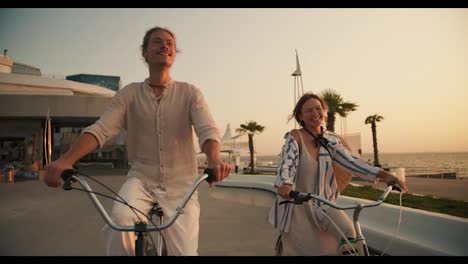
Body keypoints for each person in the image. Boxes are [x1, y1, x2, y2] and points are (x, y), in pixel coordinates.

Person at [43, 26, 231, 256]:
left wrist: (214, 159)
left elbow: (207, 130)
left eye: (170, 43)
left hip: (182, 185)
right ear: (145, 53)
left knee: (185, 253)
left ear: (175, 53)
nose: (165, 46)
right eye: (157, 42)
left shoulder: (190, 93)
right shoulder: (129, 94)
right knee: (120, 220)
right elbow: (101, 129)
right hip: (141, 180)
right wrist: (65, 161)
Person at [268, 93, 408, 256]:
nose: (315, 114)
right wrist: (285, 184)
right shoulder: (295, 137)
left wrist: (385, 175)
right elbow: (287, 164)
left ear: (324, 111)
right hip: (297, 205)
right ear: (300, 116)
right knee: (301, 249)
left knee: (349, 232)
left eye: (318, 109)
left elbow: (351, 161)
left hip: (324, 203)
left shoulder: (331, 139)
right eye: (308, 111)